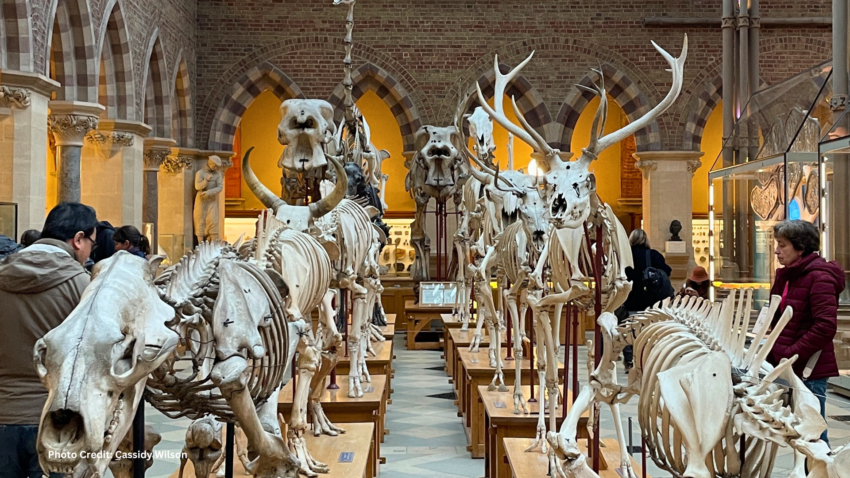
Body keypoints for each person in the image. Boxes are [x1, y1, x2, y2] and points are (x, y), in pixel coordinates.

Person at [0, 202, 96, 478]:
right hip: (55, 424)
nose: (90, 250)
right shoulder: (82, 285)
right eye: (91, 242)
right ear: (78, 239)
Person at [767, 220, 843, 445]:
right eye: (777, 244)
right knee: (794, 433)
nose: (776, 250)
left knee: (813, 438)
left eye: (782, 245)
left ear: (800, 248)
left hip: (808, 369)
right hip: (786, 366)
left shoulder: (819, 277)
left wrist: (790, 353)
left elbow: (825, 326)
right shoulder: (789, 275)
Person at [617, 229, 673, 370]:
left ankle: (629, 360)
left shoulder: (624, 256)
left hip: (630, 301)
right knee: (648, 332)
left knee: (628, 329)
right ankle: (647, 359)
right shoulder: (653, 255)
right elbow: (668, 271)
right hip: (650, 302)